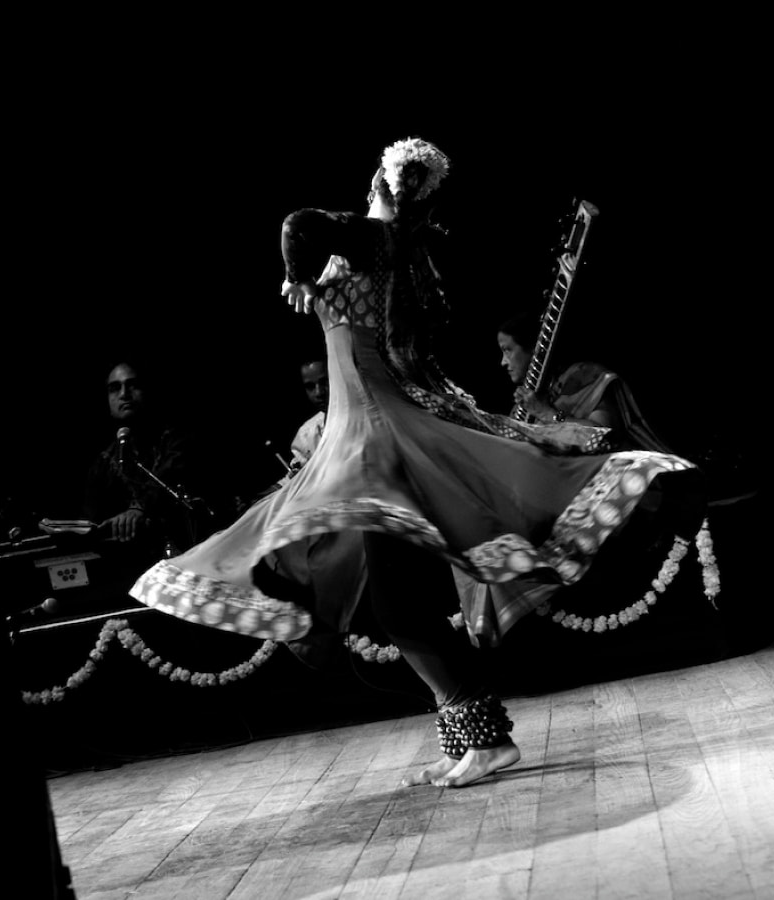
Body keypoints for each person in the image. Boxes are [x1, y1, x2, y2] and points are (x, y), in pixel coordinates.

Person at [129, 138, 704, 788]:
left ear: (385, 182)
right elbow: (423, 377)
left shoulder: (373, 240)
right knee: (392, 604)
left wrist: (296, 273)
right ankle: (473, 735)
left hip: (371, 444)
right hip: (369, 436)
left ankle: (480, 737)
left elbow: (298, 225)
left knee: (378, 600)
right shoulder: (402, 260)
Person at [495, 312, 675, 454]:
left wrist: (546, 412)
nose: (503, 362)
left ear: (535, 349)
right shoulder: (523, 406)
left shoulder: (585, 377)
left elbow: (602, 438)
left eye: (508, 350)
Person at [82, 359, 212, 555]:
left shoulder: (178, 439)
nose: (124, 394)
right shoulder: (103, 462)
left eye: (132, 385)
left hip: (195, 551)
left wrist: (139, 509)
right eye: (115, 388)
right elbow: (92, 520)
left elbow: (173, 473)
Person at [289, 356, 330, 470]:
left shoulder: (370, 419)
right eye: (310, 387)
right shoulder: (305, 435)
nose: (319, 392)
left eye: (325, 382)